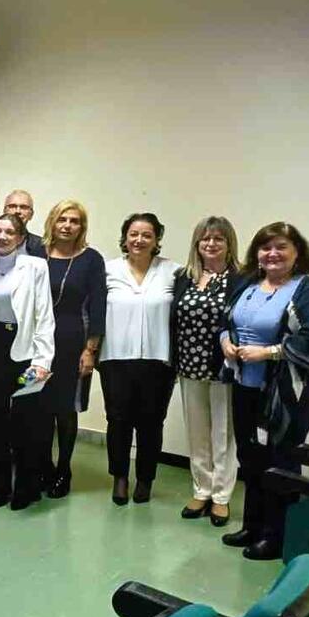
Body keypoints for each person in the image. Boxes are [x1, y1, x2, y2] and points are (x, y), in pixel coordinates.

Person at [220, 222, 309, 561]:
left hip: (288, 394)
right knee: (250, 456)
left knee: (280, 460)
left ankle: (277, 536)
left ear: (297, 252)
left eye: (281, 247)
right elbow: (227, 321)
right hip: (246, 385)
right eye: (266, 247)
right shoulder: (249, 283)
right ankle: (252, 526)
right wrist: (225, 341)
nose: (272, 254)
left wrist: (268, 352)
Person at [0, 213, 55, 510]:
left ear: (21, 238)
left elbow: (44, 315)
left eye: (10, 232)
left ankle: (27, 487)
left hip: (25, 351)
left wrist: (43, 360)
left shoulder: (36, 267)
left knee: (26, 423)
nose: (2, 236)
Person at [98, 213, 179, 505]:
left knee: (152, 422)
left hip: (158, 360)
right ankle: (119, 477)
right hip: (115, 358)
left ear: (157, 239)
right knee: (117, 421)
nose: (139, 240)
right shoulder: (108, 270)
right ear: (125, 237)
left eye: (147, 235)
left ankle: (145, 479)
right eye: (134, 234)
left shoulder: (174, 272)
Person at [171, 216, 243, 526]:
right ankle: (202, 489)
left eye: (218, 239)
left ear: (229, 244)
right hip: (188, 365)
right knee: (197, 433)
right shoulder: (185, 277)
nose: (211, 244)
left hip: (222, 368)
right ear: (197, 243)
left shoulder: (241, 279)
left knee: (223, 435)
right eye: (205, 238)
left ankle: (221, 497)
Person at [36, 201, 106, 498]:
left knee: (66, 409)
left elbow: (98, 306)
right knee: (38, 407)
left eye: (74, 221)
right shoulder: (36, 253)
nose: (67, 225)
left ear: (82, 227)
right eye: (62, 219)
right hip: (37, 344)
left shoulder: (91, 259)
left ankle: (64, 470)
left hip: (72, 343)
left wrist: (90, 350)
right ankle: (43, 467)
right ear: (52, 222)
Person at [2, 189, 45, 257]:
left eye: (23, 207)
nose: (18, 211)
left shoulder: (41, 246)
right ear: (4, 211)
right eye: (12, 206)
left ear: (31, 215)